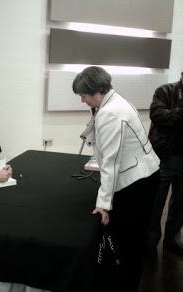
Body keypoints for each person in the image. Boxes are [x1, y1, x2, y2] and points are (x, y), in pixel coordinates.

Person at [72, 66, 160, 292]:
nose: (82, 100)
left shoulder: (111, 113)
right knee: (132, 237)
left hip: (138, 181)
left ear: (96, 92)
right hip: (143, 175)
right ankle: (127, 279)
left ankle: (126, 283)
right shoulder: (114, 101)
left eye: (83, 95)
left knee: (130, 238)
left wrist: (103, 205)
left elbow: (111, 163)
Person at [147, 72, 183, 255]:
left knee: (180, 204)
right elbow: (157, 115)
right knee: (156, 201)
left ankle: (172, 240)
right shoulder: (164, 91)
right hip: (163, 157)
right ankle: (150, 243)